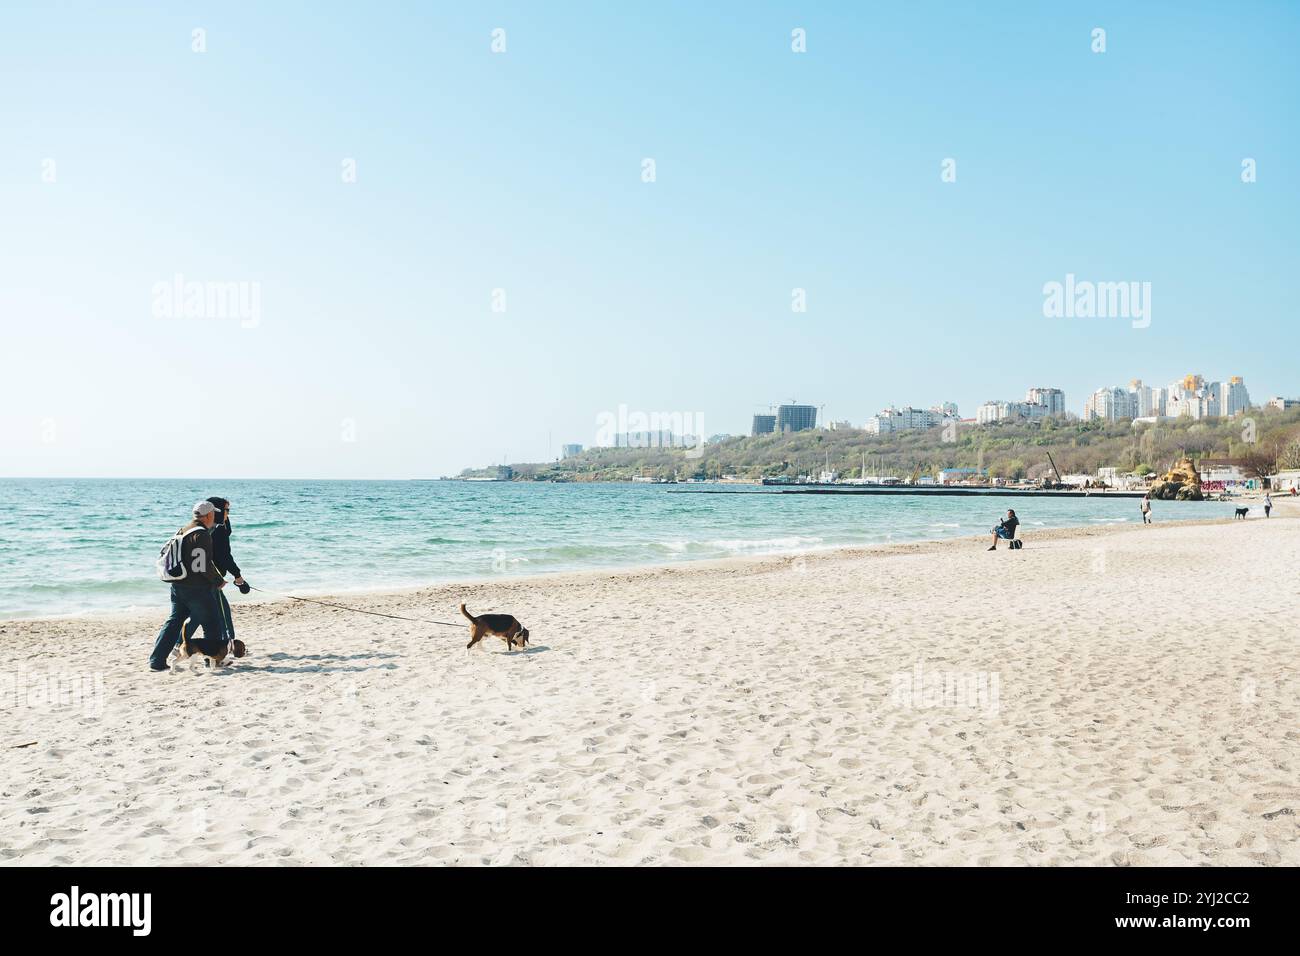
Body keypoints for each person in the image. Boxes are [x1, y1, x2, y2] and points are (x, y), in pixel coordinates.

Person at [149, 501, 227, 671]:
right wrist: (218, 580)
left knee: (174, 622)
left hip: (178, 586)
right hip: (197, 588)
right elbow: (202, 565)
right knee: (212, 623)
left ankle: (156, 661)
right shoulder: (202, 534)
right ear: (208, 515)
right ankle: (211, 661)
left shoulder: (183, 529)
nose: (214, 516)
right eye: (213, 513)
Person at [183, 496, 249, 646]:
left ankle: (178, 645)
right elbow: (224, 556)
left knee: (199, 615)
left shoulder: (216, 527)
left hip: (204, 578)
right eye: (226, 510)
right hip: (211, 578)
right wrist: (238, 576)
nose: (228, 513)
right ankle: (229, 644)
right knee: (220, 614)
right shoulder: (216, 531)